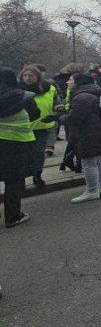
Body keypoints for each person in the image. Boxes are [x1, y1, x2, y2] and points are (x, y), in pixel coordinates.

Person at [62, 73, 101, 203]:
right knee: (98, 161)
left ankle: (92, 191)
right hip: (99, 131)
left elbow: (76, 117)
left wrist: (60, 117)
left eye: (70, 80)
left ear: (78, 82)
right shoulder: (92, 92)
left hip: (88, 134)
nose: (67, 82)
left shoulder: (81, 96)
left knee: (88, 163)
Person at [0, 67, 39, 227]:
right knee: (13, 180)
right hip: (17, 143)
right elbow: (35, 114)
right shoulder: (24, 96)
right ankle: (13, 216)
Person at [18, 64, 58, 187]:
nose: (27, 78)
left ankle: (37, 175)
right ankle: (21, 179)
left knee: (38, 153)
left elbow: (56, 102)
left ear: (38, 76)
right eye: (25, 75)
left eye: (31, 75)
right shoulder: (17, 89)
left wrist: (58, 109)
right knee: (23, 154)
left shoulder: (49, 88)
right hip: (23, 127)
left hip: (42, 125)